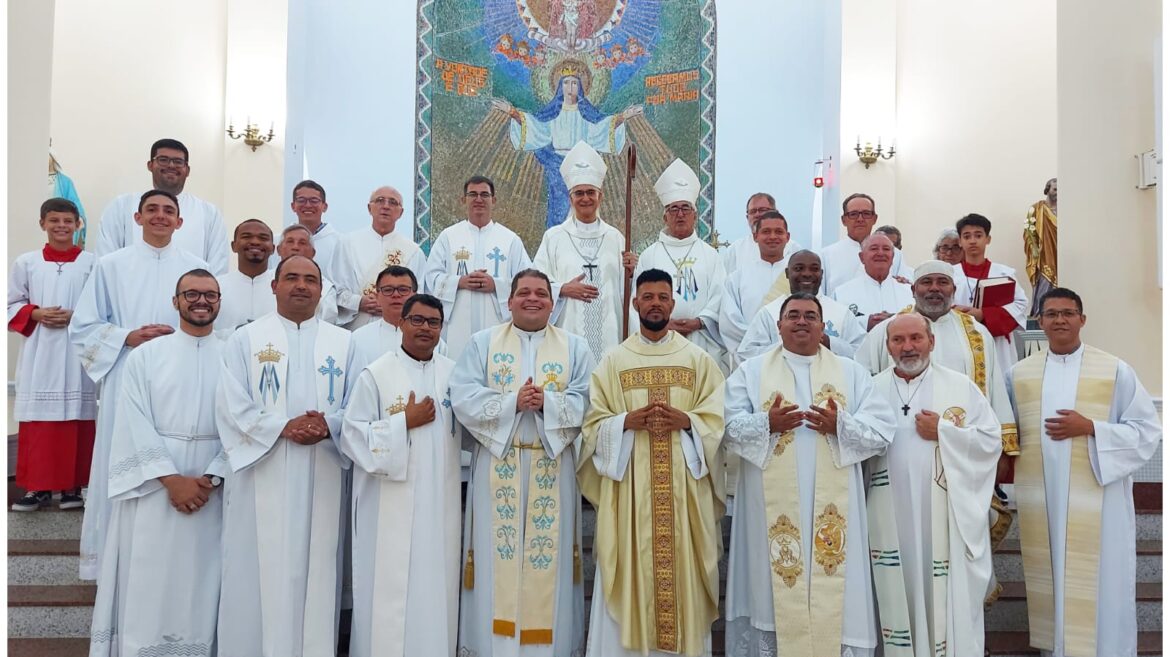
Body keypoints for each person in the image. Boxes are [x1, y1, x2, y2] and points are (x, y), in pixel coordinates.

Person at [722, 292, 895, 657]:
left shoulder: (851, 372)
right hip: (768, 506)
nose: (802, 322)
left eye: (810, 316)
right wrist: (765, 423)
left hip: (834, 508)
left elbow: (882, 431)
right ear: (779, 324)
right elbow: (725, 425)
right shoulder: (752, 371)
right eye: (794, 315)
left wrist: (841, 426)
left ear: (822, 326)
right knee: (770, 591)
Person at [578, 268, 726, 657]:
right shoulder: (614, 361)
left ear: (673, 303)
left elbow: (718, 419)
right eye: (648, 296)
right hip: (631, 495)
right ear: (634, 303)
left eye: (663, 296)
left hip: (684, 494)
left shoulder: (698, 360)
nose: (656, 303)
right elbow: (592, 422)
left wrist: (689, 422)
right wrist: (625, 421)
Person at [215, 254, 356, 657]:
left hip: (324, 467)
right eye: (291, 277)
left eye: (310, 279)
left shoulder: (344, 343)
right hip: (264, 469)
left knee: (317, 571)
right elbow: (230, 403)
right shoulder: (245, 339)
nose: (300, 285)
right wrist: (282, 427)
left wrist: (329, 425)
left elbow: (359, 406)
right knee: (257, 572)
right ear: (274, 286)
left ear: (321, 289)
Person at [1008, 288, 1160, 657]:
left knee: (1101, 580)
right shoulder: (1018, 374)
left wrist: (1092, 427)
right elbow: (1007, 432)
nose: (1060, 320)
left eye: (1068, 313)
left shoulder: (1115, 370)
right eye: (1052, 313)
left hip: (1098, 498)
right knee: (1053, 576)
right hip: (1042, 497)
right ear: (1040, 321)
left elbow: (1147, 429)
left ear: (1082, 319)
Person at [451, 269, 593, 657]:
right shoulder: (483, 343)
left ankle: (552, 649)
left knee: (552, 561)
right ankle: (490, 647)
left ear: (552, 302)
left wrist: (548, 402)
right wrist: (513, 401)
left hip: (552, 463)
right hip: (498, 464)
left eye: (541, 294)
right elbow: (462, 394)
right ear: (509, 300)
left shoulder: (575, 346)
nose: (533, 299)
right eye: (524, 292)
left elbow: (589, 400)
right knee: (495, 561)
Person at [88, 269, 228, 657]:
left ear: (220, 301)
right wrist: (172, 480)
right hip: (154, 484)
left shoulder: (234, 354)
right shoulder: (147, 356)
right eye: (192, 294)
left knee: (204, 579)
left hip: (212, 485)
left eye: (210, 295)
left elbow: (243, 419)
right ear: (175, 300)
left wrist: (212, 476)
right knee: (150, 575)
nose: (201, 301)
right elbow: (132, 421)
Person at [70, 189, 208, 580]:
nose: (161, 217)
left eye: (169, 211)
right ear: (137, 217)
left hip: (183, 377)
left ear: (180, 222)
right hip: (126, 371)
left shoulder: (195, 267)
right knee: (123, 453)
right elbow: (83, 327)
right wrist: (127, 337)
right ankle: (112, 562)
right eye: (153, 210)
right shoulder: (112, 266)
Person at [866, 313, 1001, 657]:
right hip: (887, 516)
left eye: (916, 338)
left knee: (942, 596)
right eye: (898, 340)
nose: (908, 347)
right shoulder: (870, 388)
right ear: (888, 346)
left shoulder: (960, 386)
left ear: (932, 341)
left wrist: (944, 431)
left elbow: (990, 441)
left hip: (944, 518)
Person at [341, 293, 462, 657]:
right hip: (387, 506)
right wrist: (402, 423)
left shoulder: (453, 374)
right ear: (401, 323)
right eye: (418, 320)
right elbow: (352, 435)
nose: (425, 328)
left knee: (435, 589)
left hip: (439, 503)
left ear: (442, 328)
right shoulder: (376, 374)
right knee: (386, 596)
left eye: (433, 322)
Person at [8, 198, 97, 511]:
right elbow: (10, 304)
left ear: (77, 224)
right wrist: (35, 314)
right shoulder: (27, 263)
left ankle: (73, 487)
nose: (61, 226)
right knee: (39, 424)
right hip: (40, 353)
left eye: (68, 221)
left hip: (77, 354)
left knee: (77, 420)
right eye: (54, 220)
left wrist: (77, 315)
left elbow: (103, 308)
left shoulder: (92, 264)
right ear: (42, 223)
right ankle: (37, 488)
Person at [493, 67, 642, 227]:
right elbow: (536, 127)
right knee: (558, 206)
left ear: (581, 87)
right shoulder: (552, 113)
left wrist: (623, 117)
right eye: (566, 82)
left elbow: (602, 129)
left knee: (585, 205)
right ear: (559, 87)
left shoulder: (587, 114)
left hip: (583, 166)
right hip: (557, 165)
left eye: (574, 83)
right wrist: (512, 112)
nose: (570, 86)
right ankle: (556, 240)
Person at [532, 141, 635, 365]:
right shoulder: (554, 237)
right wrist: (563, 289)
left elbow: (628, 290)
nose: (585, 198)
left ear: (601, 197)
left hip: (610, 334)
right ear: (571, 198)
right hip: (568, 331)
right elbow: (536, 283)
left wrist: (633, 270)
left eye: (591, 192)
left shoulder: (616, 238)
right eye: (579, 193)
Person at [631, 158, 728, 371]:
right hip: (659, 338)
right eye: (674, 209)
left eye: (686, 208)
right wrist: (664, 323)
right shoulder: (649, 255)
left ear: (695, 215)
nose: (680, 214)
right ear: (665, 216)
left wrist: (700, 321)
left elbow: (720, 296)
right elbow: (637, 299)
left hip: (701, 339)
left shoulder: (710, 255)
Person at [424, 175, 532, 360]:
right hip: (457, 326)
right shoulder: (448, 237)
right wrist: (460, 282)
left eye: (484, 194)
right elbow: (431, 278)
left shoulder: (510, 240)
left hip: (498, 323)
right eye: (472, 194)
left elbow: (527, 282)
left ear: (494, 200)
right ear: (463, 200)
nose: (479, 199)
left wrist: (496, 285)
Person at [95, 139, 228, 275]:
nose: (171, 165)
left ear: (187, 170)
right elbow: (105, 262)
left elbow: (217, 268)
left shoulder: (209, 213)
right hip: (130, 293)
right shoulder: (122, 206)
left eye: (178, 162)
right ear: (150, 165)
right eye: (163, 160)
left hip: (190, 294)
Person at [737, 250, 866, 361]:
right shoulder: (768, 313)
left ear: (821, 274)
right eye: (799, 268)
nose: (807, 274)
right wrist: (788, 344)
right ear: (787, 273)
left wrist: (828, 342)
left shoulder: (842, 313)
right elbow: (746, 355)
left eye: (814, 269)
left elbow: (862, 354)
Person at [332, 185, 426, 330]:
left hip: (397, 327)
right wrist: (359, 302)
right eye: (380, 200)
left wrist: (393, 304)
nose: (386, 206)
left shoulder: (413, 251)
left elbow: (418, 293)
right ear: (370, 208)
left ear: (401, 213)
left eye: (393, 202)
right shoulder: (347, 243)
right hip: (356, 326)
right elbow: (335, 288)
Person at [950, 213, 1030, 376]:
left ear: (988, 239)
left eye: (978, 235)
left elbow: (1020, 305)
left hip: (997, 343)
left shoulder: (1004, 273)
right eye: (967, 236)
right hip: (960, 341)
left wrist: (984, 315)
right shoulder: (949, 275)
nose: (973, 240)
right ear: (960, 241)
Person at [718, 211, 793, 364]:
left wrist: (787, 346)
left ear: (788, 237)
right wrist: (760, 346)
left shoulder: (798, 276)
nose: (772, 237)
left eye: (779, 232)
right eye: (766, 232)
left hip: (792, 355)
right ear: (755, 237)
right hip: (751, 359)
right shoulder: (737, 278)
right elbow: (730, 322)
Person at [351, 265, 447, 373]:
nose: (396, 295)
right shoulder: (358, 339)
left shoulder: (431, 340)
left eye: (403, 290)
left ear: (415, 295)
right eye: (388, 290)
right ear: (377, 296)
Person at [818, 193, 912, 295]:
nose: (860, 219)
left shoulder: (894, 254)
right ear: (844, 220)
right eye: (853, 214)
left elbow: (905, 291)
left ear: (874, 218)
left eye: (866, 214)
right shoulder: (826, 255)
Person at [832, 232, 913, 332]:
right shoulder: (841, 293)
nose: (880, 253)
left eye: (886, 249)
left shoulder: (910, 292)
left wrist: (895, 320)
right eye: (874, 248)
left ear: (892, 258)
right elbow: (836, 328)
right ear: (862, 257)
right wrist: (866, 323)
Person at [720, 193, 803, 276]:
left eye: (762, 210)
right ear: (747, 217)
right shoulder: (736, 250)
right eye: (753, 211)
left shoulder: (794, 250)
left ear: (775, 213)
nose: (757, 215)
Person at [216, 218, 275, 334]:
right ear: (233, 246)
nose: (255, 242)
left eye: (263, 238)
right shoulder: (216, 287)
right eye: (246, 236)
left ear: (273, 248)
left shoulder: (283, 288)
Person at [288, 179, 342, 276]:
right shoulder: (281, 241)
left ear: (324, 206)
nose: (308, 205)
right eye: (301, 200)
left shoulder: (339, 243)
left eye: (314, 201)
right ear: (293, 206)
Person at [1023, 178, 1058, 317]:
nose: (1057, 193)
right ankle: (1040, 313)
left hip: (1060, 254)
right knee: (1044, 283)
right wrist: (1034, 248)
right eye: (1055, 189)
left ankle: (1056, 312)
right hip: (1043, 255)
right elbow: (1028, 230)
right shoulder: (1036, 208)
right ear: (1047, 189)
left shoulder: (1066, 209)